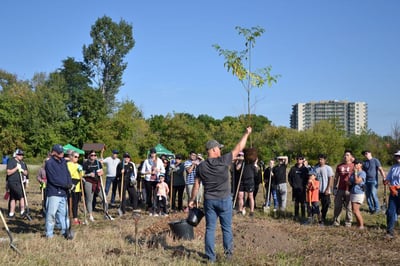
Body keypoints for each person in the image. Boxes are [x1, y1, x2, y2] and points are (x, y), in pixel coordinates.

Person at [189, 126, 252, 263]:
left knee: (210, 229)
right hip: (224, 200)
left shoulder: (201, 166)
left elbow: (196, 185)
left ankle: (210, 258)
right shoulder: (223, 161)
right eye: (219, 148)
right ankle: (228, 256)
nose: (220, 150)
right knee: (226, 229)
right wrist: (247, 133)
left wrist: (192, 200)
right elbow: (240, 147)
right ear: (213, 150)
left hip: (209, 201)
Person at [45, 144, 73, 238]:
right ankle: (49, 234)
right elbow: (53, 179)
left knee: (64, 214)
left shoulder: (63, 162)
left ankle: (66, 231)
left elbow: (67, 174)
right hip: (54, 192)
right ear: (54, 153)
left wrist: (70, 183)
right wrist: (65, 185)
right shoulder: (49, 163)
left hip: (64, 192)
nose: (62, 154)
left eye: (62, 152)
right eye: (60, 152)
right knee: (51, 214)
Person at [332, 150, 354, 227]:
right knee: (337, 206)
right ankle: (336, 222)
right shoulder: (339, 166)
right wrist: (334, 187)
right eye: (345, 155)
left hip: (350, 190)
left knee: (349, 207)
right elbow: (336, 178)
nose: (345, 156)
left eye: (348, 155)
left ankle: (348, 222)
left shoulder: (354, 166)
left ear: (351, 157)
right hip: (340, 189)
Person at [141, 148, 165, 215]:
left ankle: (156, 207)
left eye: (154, 153)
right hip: (148, 179)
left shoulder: (159, 161)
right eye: (151, 153)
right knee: (149, 194)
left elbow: (163, 171)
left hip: (156, 180)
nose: (153, 154)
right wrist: (148, 172)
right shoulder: (146, 161)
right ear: (150, 153)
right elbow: (142, 172)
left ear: (156, 153)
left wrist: (158, 170)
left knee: (156, 194)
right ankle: (150, 208)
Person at [6, 148, 28, 218]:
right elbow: (8, 172)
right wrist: (16, 168)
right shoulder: (11, 161)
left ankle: (11, 213)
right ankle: (22, 211)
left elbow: (26, 173)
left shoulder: (23, 163)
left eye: (22, 155)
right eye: (20, 155)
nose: (21, 156)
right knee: (22, 196)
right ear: (16, 155)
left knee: (13, 198)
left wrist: (22, 170)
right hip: (12, 182)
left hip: (20, 182)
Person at [82, 150, 104, 222]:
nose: (93, 156)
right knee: (89, 199)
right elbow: (82, 175)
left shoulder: (98, 163)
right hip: (89, 182)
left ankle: (106, 213)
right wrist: (89, 174)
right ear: (89, 156)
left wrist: (101, 173)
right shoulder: (85, 163)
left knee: (104, 198)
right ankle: (90, 215)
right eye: (92, 155)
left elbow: (102, 171)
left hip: (97, 182)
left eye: (95, 155)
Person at [384, 150, 400, 239]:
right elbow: (388, 178)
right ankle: (390, 232)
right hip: (393, 191)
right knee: (390, 211)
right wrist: (386, 181)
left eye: (399, 156)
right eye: (397, 156)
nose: (398, 158)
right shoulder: (394, 167)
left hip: (398, 189)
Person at [237, 148, 258, 217]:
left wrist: (255, 164)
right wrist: (240, 161)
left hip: (250, 181)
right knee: (240, 196)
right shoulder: (243, 163)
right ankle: (240, 210)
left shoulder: (252, 164)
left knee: (250, 196)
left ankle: (252, 211)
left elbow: (256, 172)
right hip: (242, 181)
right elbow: (237, 168)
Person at [314, 154, 334, 224]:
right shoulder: (316, 168)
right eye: (319, 159)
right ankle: (318, 218)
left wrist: (328, 189)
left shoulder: (328, 168)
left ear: (325, 160)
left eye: (321, 159)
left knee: (325, 205)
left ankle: (323, 218)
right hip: (317, 190)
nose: (320, 161)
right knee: (315, 204)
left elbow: (330, 178)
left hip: (325, 189)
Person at [288, 155, 309, 221]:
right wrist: (292, 185)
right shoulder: (293, 168)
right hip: (295, 189)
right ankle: (296, 215)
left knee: (303, 203)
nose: (298, 160)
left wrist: (306, 185)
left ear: (303, 160)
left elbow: (308, 178)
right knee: (296, 202)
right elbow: (289, 177)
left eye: (300, 159)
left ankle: (303, 216)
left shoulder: (305, 169)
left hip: (302, 189)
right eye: (297, 159)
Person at [67, 151, 83, 225]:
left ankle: (75, 218)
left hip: (78, 188)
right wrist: (77, 168)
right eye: (75, 156)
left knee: (76, 203)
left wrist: (81, 171)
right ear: (71, 157)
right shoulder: (68, 164)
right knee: (70, 203)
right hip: (71, 186)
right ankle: (69, 217)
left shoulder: (78, 165)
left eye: (78, 157)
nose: (77, 158)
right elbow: (70, 174)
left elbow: (81, 175)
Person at [349, 159, 366, 229]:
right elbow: (350, 182)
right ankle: (358, 224)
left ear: (361, 164)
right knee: (354, 210)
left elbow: (357, 181)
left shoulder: (362, 173)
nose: (355, 165)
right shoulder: (353, 173)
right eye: (354, 164)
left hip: (359, 193)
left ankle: (361, 225)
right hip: (353, 192)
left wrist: (355, 173)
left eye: (357, 163)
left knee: (356, 210)